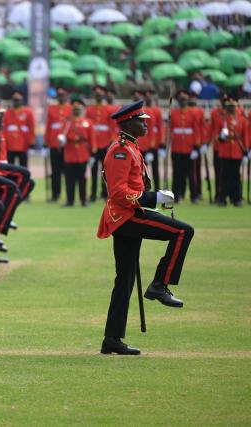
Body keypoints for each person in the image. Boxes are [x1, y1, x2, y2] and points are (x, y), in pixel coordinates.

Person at [98, 100, 194, 355]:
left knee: (125, 280)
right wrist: (154, 199)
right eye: (141, 120)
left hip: (130, 214)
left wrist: (157, 195)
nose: (145, 124)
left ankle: (112, 339)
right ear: (129, 122)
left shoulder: (131, 147)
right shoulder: (120, 150)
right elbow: (118, 193)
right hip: (125, 216)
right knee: (183, 231)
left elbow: (136, 186)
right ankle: (159, 285)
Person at [209, 95, 249, 206]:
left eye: (233, 106)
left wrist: (246, 151)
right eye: (229, 106)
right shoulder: (221, 119)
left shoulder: (241, 119)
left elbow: (244, 136)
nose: (231, 108)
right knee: (225, 176)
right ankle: (222, 198)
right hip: (225, 150)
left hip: (237, 150)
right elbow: (216, 135)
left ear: (236, 106)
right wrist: (221, 137)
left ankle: (237, 198)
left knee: (236, 176)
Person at [61, 97, 96, 207]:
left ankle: (83, 199)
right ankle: (70, 200)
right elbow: (61, 135)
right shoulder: (67, 123)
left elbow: (92, 137)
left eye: (79, 108)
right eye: (75, 109)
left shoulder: (87, 122)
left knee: (82, 178)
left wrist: (93, 151)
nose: (76, 110)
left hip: (82, 153)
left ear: (82, 109)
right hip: (69, 153)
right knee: (69, 179)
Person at [169, 90, 202, 203]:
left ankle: (194, 195)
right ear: (178, 101)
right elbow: (169, 129)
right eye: (181, 99)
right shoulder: (173, 113)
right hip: (177, 147)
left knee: (191, 173)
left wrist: (196, 147)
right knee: (177, 173)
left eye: (185, 99)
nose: (183, 101)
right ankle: (176, 195)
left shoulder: (193, 113)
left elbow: (196, 130)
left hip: (189, 147)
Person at [44, 87, 71, 202]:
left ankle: (69, 194)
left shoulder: (70, 109)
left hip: (67, 144)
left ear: (66, 97)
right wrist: (46, 141)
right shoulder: (51, 109)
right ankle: (56, 194)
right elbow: (49, 126)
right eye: (59, 96)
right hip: (54, 143)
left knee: (68, 170)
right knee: (55, 170)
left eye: (63, 96)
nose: (61, 98)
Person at [2, 92, 35, 168]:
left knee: (23, 166)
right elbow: (4, 128)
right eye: (15, 100)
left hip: (23, 143)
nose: (16, 102)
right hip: (10, 143)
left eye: (18, 100)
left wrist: (31, 141)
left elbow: (31, 127)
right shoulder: (7, 113)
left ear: (22, 101)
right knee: (10, 166)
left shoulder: (28, 112)